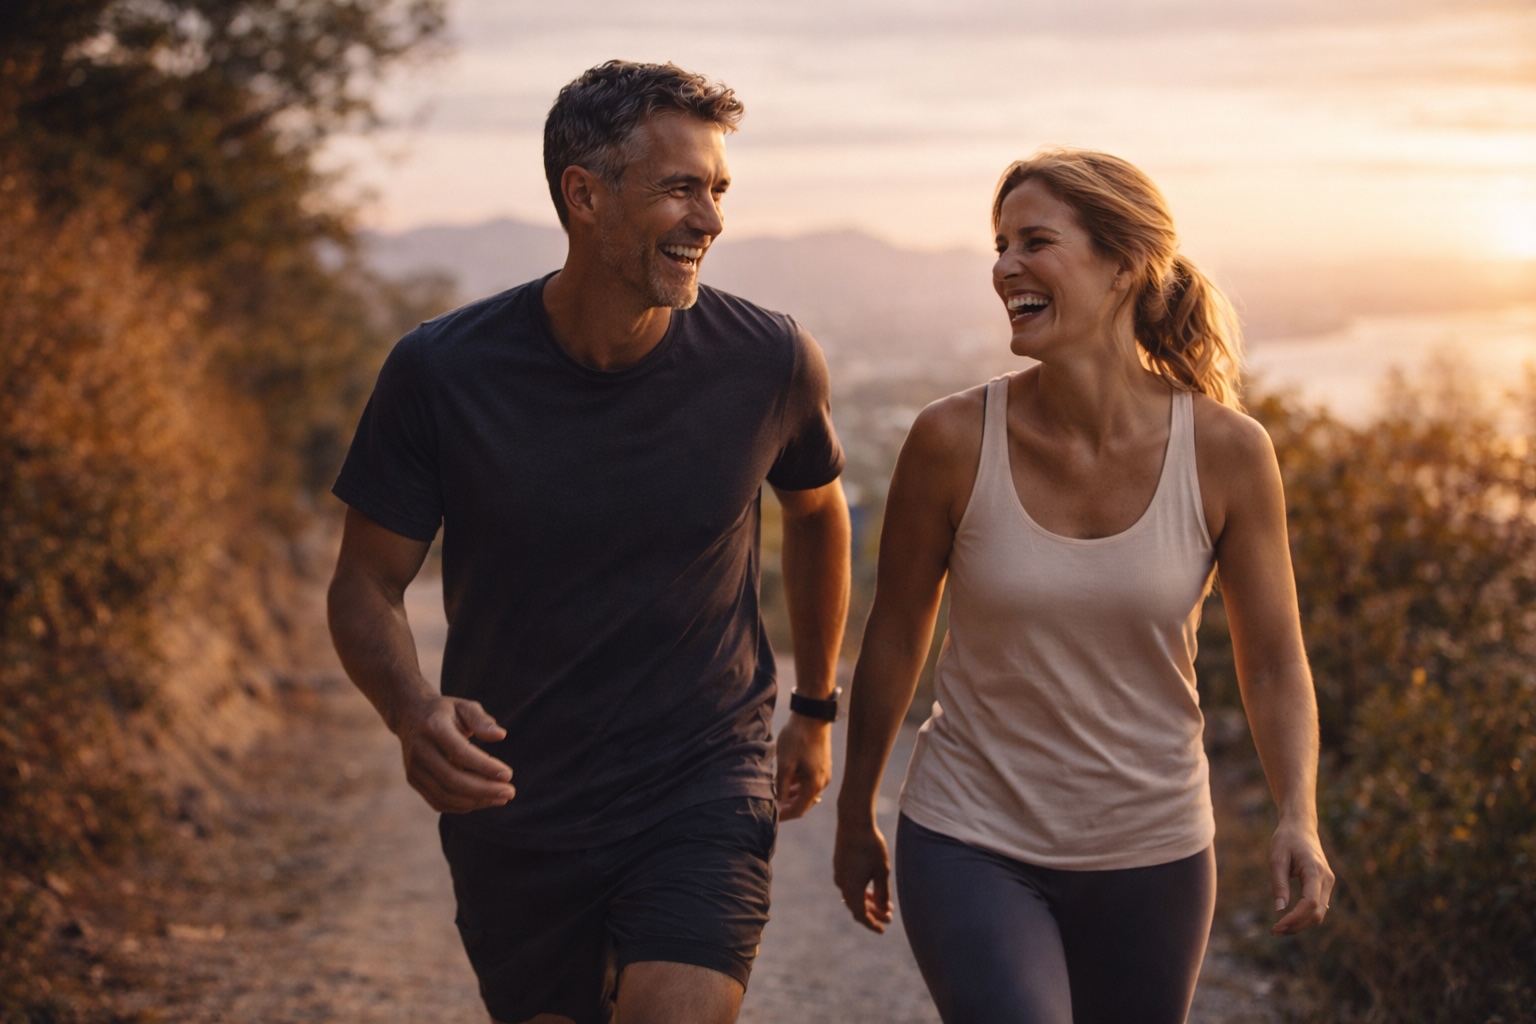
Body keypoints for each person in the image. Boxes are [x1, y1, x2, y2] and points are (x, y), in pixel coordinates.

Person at [326, 60, 851, 1024]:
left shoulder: (769, 361)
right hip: (516, 795)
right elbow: (365, 584)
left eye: (719, 190)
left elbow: (817, 509)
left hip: (704, 774)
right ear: (585, 195)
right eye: (681, 188)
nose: (711, 220)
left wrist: (815, 706)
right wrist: (411, 711)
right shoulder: (443, 372)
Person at [832, 149, 1334, 1024]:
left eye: (1035, 242)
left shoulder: (1228, 451)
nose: (1004, 268)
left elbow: (1274, 657)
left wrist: (1298, 813)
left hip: (1158, 851)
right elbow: (896, 634)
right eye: (999, 245)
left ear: (1124, 266)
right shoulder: (951, 439)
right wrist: (854, 809)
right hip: (970, 837)